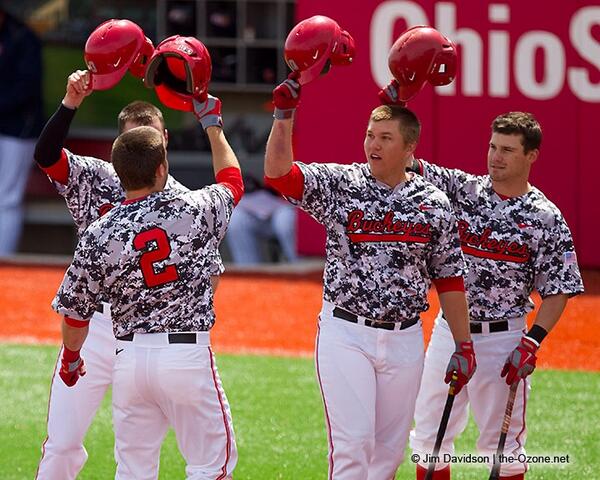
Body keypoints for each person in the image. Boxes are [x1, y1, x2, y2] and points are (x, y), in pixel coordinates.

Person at [263, 77, 477, 479]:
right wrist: (283, 115)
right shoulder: (343, 184)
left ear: (410, 148)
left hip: (405, 338)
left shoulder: (434, 202)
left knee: (388, 454)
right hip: (346, 333)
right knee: (353, 447)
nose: (372, 145)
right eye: (369, 135)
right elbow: (278, 175)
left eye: (384, 137)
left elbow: (450, 278)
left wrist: (464, 345)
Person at [34, 70, 225, 479]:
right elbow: (47, 153)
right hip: (95, 324)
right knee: (63, 441)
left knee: (137, 461)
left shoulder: (184, 200)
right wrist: (70, 102)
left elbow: (210, 276)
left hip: (138, 333)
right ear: (118, 144)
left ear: (164, 141)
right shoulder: (98, 178)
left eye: (148, 134)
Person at [390, 109, 584, 479]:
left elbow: (559, 288)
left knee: (502, 447)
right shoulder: (464, 190)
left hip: (504, 338)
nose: (495, 156)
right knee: (429, 436)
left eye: (508, 149)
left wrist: (532, 342)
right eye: (493, 146)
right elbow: (408, 162)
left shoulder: (545, 217)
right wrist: (395, 103)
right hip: (451, 332)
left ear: (531, 156)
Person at [0, 6, 44, 254]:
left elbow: (26, 89)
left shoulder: (22, 37)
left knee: (7, 199)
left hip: (18, 128)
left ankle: (3, 265)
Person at [225, 174, 298, 264]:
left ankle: (303, 271)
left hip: (297, 207)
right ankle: (249, 274)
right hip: (271, 204)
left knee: (285, 220)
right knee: (237, 218)